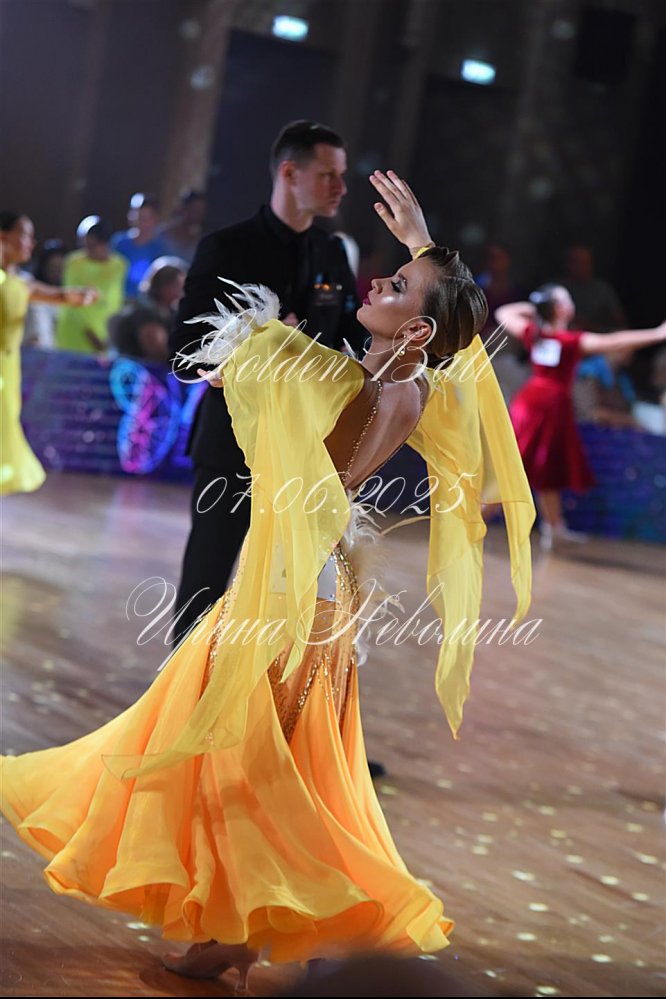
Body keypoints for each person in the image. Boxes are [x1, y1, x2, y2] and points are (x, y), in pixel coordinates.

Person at [0, 172, 534, 992]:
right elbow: (452, 362)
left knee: (240, 755)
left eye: (398, 284)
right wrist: (423, 247)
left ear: (419, 326)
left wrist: (256, 348)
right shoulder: (421, 386)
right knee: (256, 756)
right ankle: (240, 932)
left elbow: (249, 361)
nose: (377, 281)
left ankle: (278, 921)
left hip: (291, 591)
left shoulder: (354, 382)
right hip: (315, 584)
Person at [170, 121, 366, 647]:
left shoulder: (331, 253)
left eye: (341, 175)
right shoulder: (226, 248)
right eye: (328, 175)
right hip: (232, 442)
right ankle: (183, 679)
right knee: (208, 572)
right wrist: (251, 349)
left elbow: (355, 340)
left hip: (306, 447)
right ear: (290, 173)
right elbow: (184, 352)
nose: (340, 188)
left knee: (293, 582)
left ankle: (265, 684)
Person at [496, 286, 665, 550]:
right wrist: (656, 334)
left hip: (532, 404)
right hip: (546, 407)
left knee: (546, 467)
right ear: (560, 309)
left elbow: (504, 313)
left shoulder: (535, 333)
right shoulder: (567, 341)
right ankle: (476, 517)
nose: (570, 302)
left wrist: (536, 309)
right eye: (565, 299)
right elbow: (616, 341)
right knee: (517, 468)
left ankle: (555, 526)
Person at [0, 212, 96, 496]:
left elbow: (61, 295)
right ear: (3, 237)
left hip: (9, 370)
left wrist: (82, 295)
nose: (31, 242)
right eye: (25, 234)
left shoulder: (22, 283)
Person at [56, 217, 127, 353]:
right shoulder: (73, 263)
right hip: (73, 336)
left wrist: (110, 337)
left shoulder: (120, 265)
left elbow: (116, 300)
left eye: (92, 245)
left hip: (105, 339)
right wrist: (92, 336)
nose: (87, 249)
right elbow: (73, 301)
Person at [110, 257, 186, 363]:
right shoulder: (145, 313)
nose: (182, 292)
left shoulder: (170, 312)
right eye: (178, 286)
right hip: (139, 370)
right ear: (165, 286)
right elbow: (158, 353)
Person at [111, 192, 169, 299]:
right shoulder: (118, 243)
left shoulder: (161, 249)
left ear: (156, 218)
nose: (141, 222)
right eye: (138, 217)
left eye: (146, 218)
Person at [562, 244, 626, 333]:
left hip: (597, 336)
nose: (581, 266)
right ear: (568, 264)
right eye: (576, 262)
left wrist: (591, 325)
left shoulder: (602, 289)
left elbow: (621, 323)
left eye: (585, 262)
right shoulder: (557, 289)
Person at [23, 238, 67, 348]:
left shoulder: (65, 296)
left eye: (60, 268)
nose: (56, 272)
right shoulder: (30, 288)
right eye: (52, 267)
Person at [160, 189, 207, 264]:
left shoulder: (198, 243)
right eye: (195, 210)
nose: (198, 215)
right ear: (183, 208)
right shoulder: (161, 234)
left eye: (201, 211)